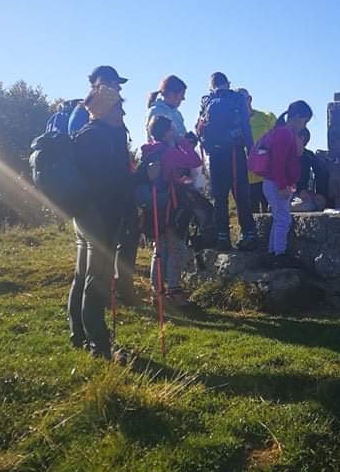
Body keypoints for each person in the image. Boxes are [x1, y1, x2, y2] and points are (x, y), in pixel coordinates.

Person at [68, 85, 134, 359]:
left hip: (83, 215)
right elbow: (112, 182)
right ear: (106, 110)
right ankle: (99, 345)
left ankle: (79, 335)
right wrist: (143, 177)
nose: (123, 112)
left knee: (82, 277)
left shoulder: (88, 134)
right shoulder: (101, 137)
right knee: (97, 281)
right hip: (100, 217)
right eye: (118, 106)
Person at [139, 115, 202, 307]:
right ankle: (174, 291)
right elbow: (195, 161)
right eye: (172, 129)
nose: (175, 131)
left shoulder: (149, 151)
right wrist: (183, 142)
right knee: (177, 248)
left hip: (154, 207)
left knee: (160, 249)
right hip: (171, 207)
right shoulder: (169, 152)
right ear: (167, 132)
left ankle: (157, 291)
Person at [196, 72, 256, 252]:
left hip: (215, 155)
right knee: (241, 194)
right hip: (235, 153)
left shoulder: (206, 100)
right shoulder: (237, 98)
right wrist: (250, 150)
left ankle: (222, 236)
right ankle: (248, 234)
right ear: (228, 83)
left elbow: (200, 128)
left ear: (211, 85)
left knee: (219, 197)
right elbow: (245, 126)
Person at [261, 100, 313, 266]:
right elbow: (278, 163)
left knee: (279, 218)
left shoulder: (282, 132)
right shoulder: (284, 134)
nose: (304, 126)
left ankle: (272, 253)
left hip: (274, 182)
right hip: (276, 183)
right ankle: (279, 255)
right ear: (297, 118)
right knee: (284, 220)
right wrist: (283, 186)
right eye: (304, 121)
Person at [237, 88, 277, 213]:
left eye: (242, 100)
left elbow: (278, 142)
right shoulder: (234, 123)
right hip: (246, 178)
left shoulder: (267, 117)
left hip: (267, 176)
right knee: (250, 214)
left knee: (271, 212)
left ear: (250, 99)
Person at [68, 66, 128, 136]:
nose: (120, 88)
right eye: (115, 83)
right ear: (103, 82)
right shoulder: (85, 111)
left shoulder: (90, 109)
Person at [293, 127, 330, 212]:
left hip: (304, 194)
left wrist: (319, 194)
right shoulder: (285, 155)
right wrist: (299, 191)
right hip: (288, 193)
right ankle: (277, 207)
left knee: (321, 202)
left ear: (302, 138)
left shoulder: (308, 155)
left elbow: (320, 174)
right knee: (308, 206)